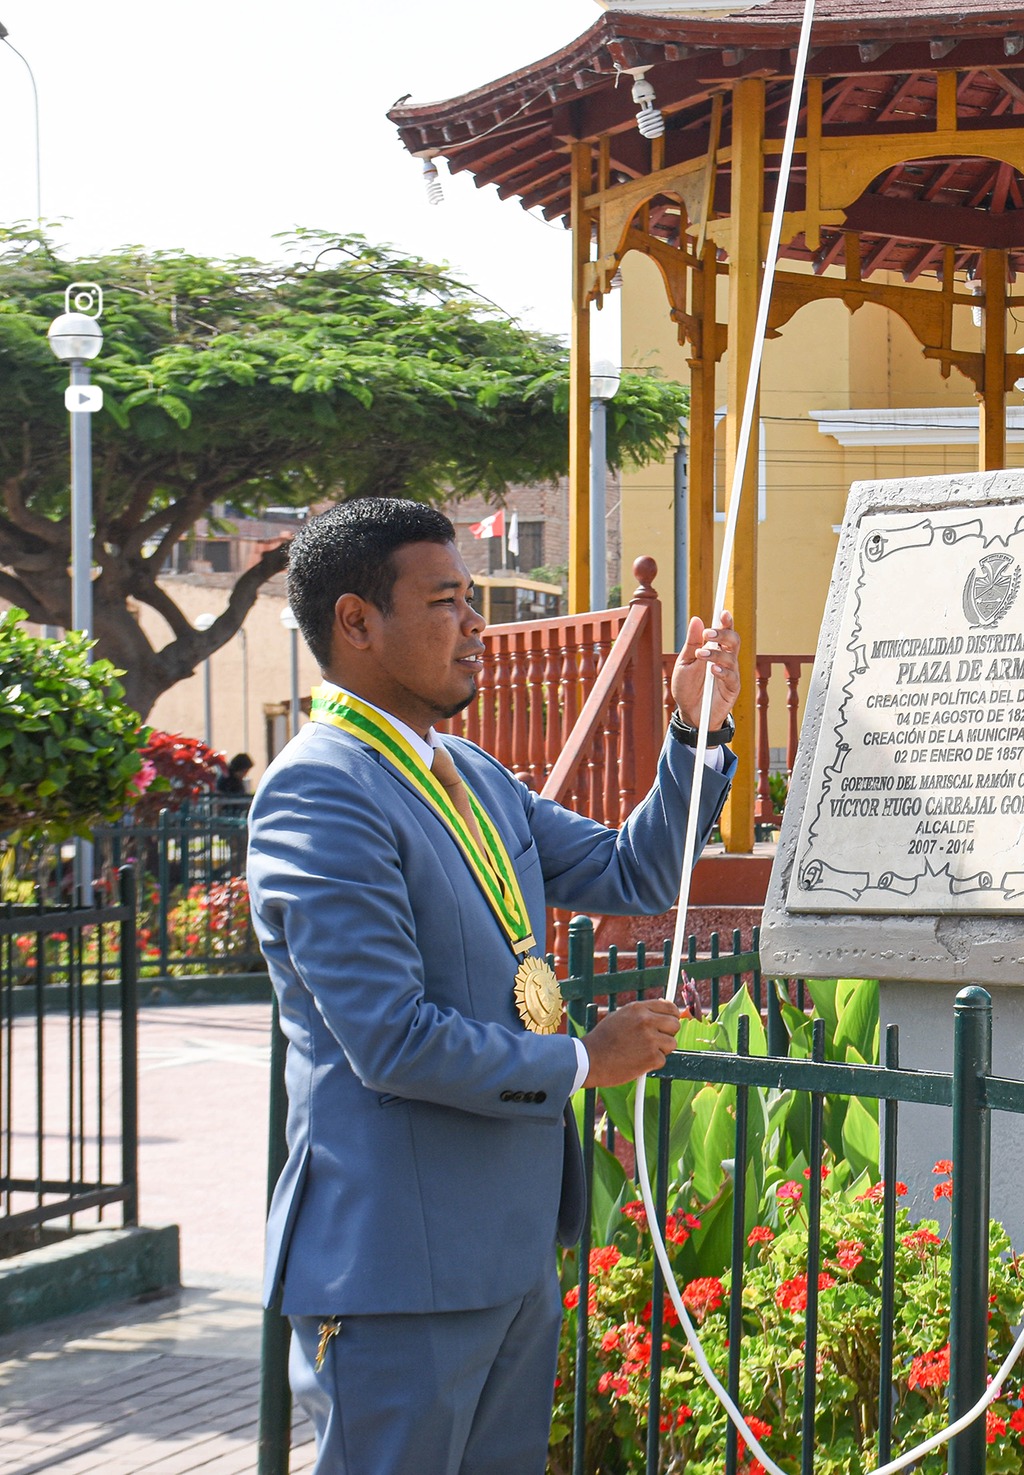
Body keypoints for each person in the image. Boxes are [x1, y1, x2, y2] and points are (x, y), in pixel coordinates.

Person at [248, 499, 741, 1475]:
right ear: (357, 622)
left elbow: (634, 872)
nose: (477, 623)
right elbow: (388, 1035)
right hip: (397, 1268)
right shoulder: (321, 787)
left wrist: (694, 731)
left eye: (473, 599)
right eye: (447, 601)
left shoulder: (466, 769)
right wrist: (581, 1060)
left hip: (508, 1254)